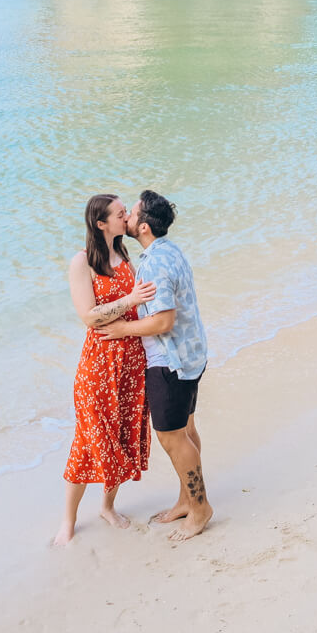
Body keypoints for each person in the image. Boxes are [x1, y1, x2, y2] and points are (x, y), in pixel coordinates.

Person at [97, 190, 211, 541]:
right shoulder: (167, 249)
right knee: (186, 431)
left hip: (169, 362)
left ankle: (201, 509)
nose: (127, 218)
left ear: (143, 226)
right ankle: (186, 500)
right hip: (191, 354)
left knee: (171, 437)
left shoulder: (154, 263)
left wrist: (121, 330)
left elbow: (163, 322)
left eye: (130, 214)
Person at [54, 193, 157, 546]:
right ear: (101, 224)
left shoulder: (125, 255)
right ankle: (68, 522)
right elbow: (88, 316)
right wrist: (130, 300)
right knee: (86, 441)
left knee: (123, 436)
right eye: (119, 213)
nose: (126, 216)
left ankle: (107, 507)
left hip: (131, 361)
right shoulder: (82, 262)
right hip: (98, 365)